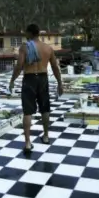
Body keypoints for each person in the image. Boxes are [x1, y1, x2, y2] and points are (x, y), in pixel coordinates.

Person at [9, 24, 63, 153]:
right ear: (38, 33)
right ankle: (45, 136)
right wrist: (60, 83)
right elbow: (55, 67)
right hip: (43, 78)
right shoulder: (48, 48)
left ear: (29, 33)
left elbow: (19, 66)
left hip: (29, 79)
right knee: (45, 108)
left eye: (26, 33)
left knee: (28, 111)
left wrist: (12, 81)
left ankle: (28, 142)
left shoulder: (25, 47)